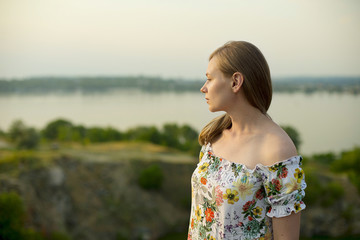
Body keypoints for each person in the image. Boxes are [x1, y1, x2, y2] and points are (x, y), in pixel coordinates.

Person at [188, 41, 306, 240]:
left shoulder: (277, 151)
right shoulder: (214, 138)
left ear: (235, 82)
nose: (203, 88)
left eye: (209, 79)